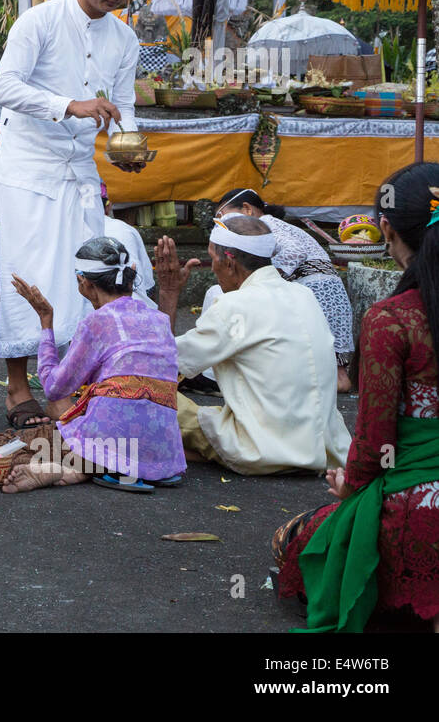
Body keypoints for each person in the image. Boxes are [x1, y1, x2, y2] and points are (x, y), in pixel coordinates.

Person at [0, 0, 152, 430]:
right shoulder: (38, 21)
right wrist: (69, 106)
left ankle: (73, 383)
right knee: (25, 272)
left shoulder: (125, 39)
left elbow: (122, 108)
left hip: (79, 169)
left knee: (87, 269)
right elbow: (3, 87)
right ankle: (19, 388)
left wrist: (128, 147)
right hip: (27, 166)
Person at [273, 163, 439, 632]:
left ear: (385, 228)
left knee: (300, 539)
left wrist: (351, 485)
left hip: (417, 506)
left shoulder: (392, 319)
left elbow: (373, 441)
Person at [155, 216, 351, 475]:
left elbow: (160, 361)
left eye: (213, 258)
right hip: (325, 449)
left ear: (229, 262)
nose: (212, 268)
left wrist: (169, 293)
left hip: (262, 450)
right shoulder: (304, 295)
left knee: (147, 394)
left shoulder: (234, 306)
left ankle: (195, 452)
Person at [2, 236, 186, 493]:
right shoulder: (160, 319)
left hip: (113, 438)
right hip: (164, 452)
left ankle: (75, 467)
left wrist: (46, 321)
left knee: (17, 446)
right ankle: (86, 470)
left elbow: (54, 387)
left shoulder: (98, 321)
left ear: (85, 284)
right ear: (130, 274)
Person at [212, 187, 355, 392]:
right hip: (326, 292)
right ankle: (334, 379)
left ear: (247, 209)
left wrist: (268, 280)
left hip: (315, 292)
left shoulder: (267, 224)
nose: (223, 224)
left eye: (222, 216)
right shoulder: (275, 226)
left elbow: (294, 251)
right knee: (334, 367)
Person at [101, 182, 155, 308]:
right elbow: (148, 287)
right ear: (108, 207)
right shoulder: (124, 229)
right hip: (136, 307)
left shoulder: (60, 229)